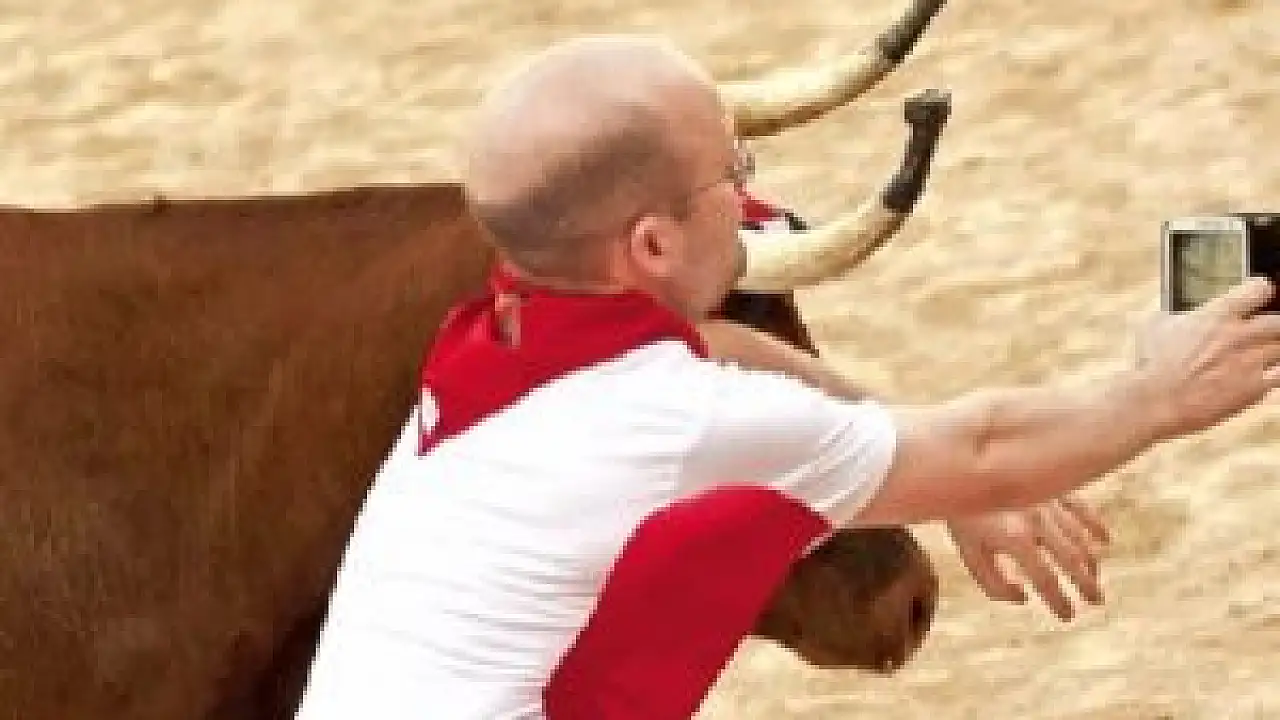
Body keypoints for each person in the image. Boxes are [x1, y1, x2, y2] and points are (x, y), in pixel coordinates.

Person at [293, 35, 1280, 720]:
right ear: (652, 243)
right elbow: (984, 449)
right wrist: (1159, 396)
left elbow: (717, 351)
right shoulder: (668, 417)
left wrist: (926, 461)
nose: (748, 194)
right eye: (732, 173)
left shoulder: (496, 338)